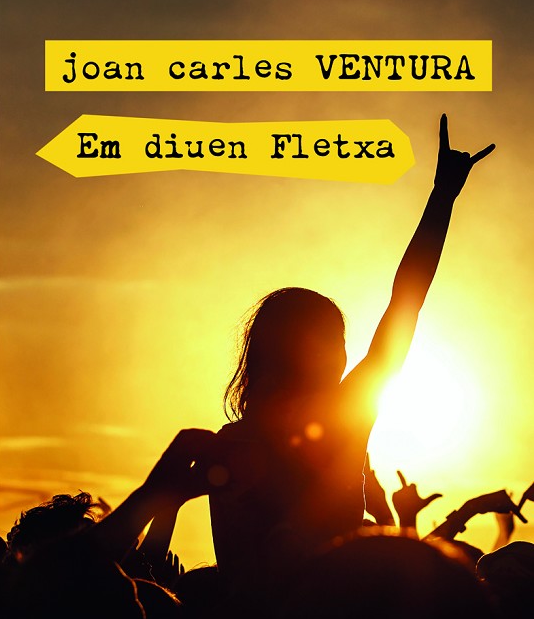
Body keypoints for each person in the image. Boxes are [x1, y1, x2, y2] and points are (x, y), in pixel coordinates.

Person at [210, 115, 495, 586]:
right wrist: (442, 197)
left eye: (341, 341)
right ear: (291, 351)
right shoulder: (334, 423)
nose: (342, 354)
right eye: (330, 341)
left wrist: (442, 198)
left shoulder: (233, 442)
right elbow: (406, 302)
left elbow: (406, 302)